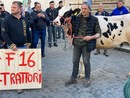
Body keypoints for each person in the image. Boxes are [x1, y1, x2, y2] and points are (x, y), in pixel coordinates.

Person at [65, 2, 101, 87]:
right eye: (82, 8)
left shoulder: (94, 19)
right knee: (75, 61)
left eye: (85, 9)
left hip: (86, 45)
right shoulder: (77, 18)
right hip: (77, 44)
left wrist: (90, 37)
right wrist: (69, 32)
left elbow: (99, 33)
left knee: (86, 62)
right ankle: (73, 78)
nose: (83, 10)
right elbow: (72, 28)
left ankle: (87, 78)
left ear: (89, 9)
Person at [1, 1, 31, 94]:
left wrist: (29, 42)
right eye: (11, 7)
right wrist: (10, 44)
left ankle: (22, 83)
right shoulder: (7, 20)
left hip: (23, 47)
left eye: (14, 7)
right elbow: (4, 33)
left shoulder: (24, 20)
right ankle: (17, 86)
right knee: (14, 68)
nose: (12, 8)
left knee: (22, 68)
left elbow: (28, 32)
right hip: (12, 48)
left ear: (20, 9)